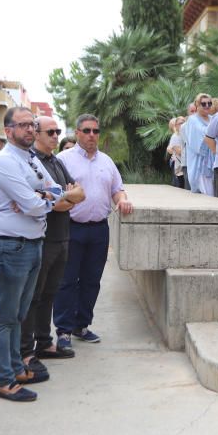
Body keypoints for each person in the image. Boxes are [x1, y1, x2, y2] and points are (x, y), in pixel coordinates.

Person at [0, 107, 61, 402]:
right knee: (5, 317)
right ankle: (4, 380)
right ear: (8, 131)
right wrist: (42, 199)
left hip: (32, 242)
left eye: (32, 125)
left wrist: (44, 197)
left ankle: (17, 368)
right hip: (9, 245)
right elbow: (35, 205)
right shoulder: (4, 161)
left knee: (18, 314)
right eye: (23, 125)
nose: (30, 130)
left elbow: (55, 189)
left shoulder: (30, 159)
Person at [55, 114, 133, 352]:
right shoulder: (62, 160)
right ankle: (64, 331)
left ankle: (82, 325)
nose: (91, 135)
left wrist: (122, 201)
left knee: (91, 281)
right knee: (67, 281)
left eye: (95, 131)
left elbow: (117, 189)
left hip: (99, 229)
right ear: (77, 133)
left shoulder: (107, 161)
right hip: (71, 228)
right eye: (87, 130)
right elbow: (53, 194)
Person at [20, 116, 86, 369]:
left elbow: (80, 193)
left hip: (62, 237)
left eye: (58, 131)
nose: (56, 136)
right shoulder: (32, 162)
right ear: (36, 133)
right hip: (43, 239)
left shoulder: (55, 160)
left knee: (50, 294)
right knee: (33, 296)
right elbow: (52, 202)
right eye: (51, 132)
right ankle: (26, 351)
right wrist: (65, 197)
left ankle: (44, 342)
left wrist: (63, 197)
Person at [185, 93, 214, 195]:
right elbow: (203, 134)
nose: (207, 106)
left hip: (214, 162)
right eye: (203, 103)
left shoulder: (212, 118)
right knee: (208, 194)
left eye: (209, 103)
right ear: (197, 105)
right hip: (200, 164)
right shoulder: (192, 120)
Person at [166, 117, 186, 189]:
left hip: (184, 165)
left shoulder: (185, 135)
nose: (183, 125)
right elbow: (171, 149)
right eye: (180, 123)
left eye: (184, 122)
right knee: (181, 186)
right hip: (180, 166)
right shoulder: (175, 136)